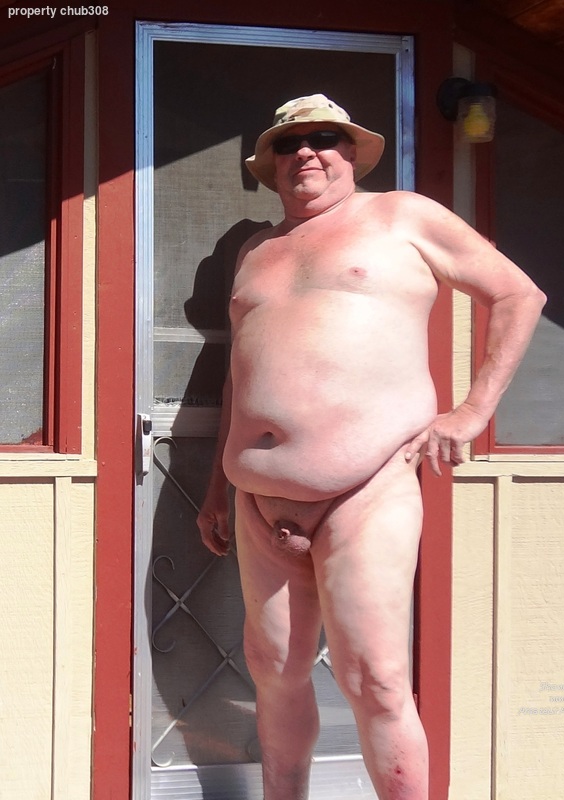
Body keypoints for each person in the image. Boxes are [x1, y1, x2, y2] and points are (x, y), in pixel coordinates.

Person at [197, 94, 546, 799]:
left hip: (367, 490)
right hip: (257, 499)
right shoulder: (254, 250)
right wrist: (216, 490)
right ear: (270, 165)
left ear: (352, 153)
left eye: (325, 138)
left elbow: (518, 295)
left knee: (376, 680)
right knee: (274, 674)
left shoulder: (402, 216)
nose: (306, 152)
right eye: (288, 143)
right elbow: (243, 371)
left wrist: (471, 412)